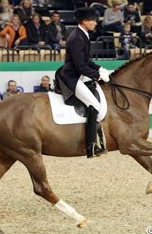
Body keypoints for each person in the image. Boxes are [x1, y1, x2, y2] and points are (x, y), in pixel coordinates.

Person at [59, 7, 110, 158]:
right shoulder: (76, 38)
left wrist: (100, 68)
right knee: (94, 105)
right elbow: (80, 66)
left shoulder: (83, 34)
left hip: (78, 74)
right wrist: (98, 76)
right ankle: (91, 146)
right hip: (71, 77)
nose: (95, 23)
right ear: (84, 21)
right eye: (93, 20)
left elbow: (86, 60)